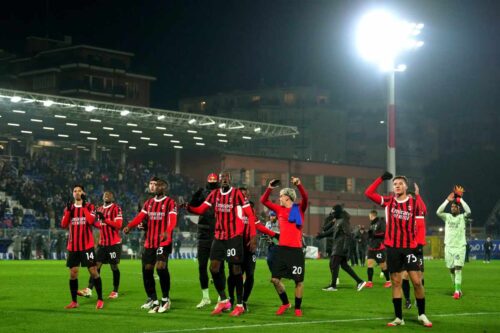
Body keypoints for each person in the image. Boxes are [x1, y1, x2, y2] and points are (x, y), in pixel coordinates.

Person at [365, 172, 432, 327]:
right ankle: (398, 318)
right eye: (395, 184)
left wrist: (417, 243)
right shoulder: (388, 202)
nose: (397, 186)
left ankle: (422, 314)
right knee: (396, 282)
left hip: (409, 248)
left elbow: (423, 216)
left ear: (405, 186)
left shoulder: (414, 203)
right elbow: (368, 193)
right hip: (393, 248)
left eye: (400, 183)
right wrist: (381, 178)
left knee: (416, 282)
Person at [188, 170, 257, 317]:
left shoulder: (238, 194)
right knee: (213, 268)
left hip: (233, 237)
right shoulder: (214, 194)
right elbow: (201, 209)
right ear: (219, 180)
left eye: (227, 177)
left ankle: (239, 305)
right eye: (222, 178)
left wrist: (252, 236)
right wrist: (188, 207)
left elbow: (250, 215)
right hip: (219, 237)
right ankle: (224, 300)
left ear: (230, 180)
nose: (224, 180)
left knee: (236, 270)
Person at [123, 178, 177, 314]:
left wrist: (167, 231)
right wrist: (129, 226)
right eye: (155, 185)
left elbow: (173, 220)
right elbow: (140, 217)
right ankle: (154, 300)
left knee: (160, 267)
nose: (156, 187)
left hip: (163, 241)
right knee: (147, 269)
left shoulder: (170, 203)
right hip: (149, 242)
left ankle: (165, 299)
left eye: (159, 185)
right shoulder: (149, 203)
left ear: (164, 187)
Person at [259, 177, 308, 317]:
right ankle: (285, 303)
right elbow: (263, 200)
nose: (279, 198)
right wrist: (269, 187)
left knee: (298, 281)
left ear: (287, 197)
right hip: (282, 250)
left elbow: (305, 197)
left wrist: (299, 185)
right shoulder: (279, 209)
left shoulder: (299, 208)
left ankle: (298, 308)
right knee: (275, 279)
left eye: (280, 196)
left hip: (296, 251)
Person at [61, 184, 103, 309]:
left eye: (79, 191)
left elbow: (90, 221)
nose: (77, 192)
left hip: (86, 246)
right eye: (75, 191)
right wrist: (68, 211)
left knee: (93, 271)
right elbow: (63, 224)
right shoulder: (69, 208)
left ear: (83, 193)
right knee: (73, 273)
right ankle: (74, 301)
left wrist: (83, 206)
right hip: (73, 246)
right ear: (73, 193)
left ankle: (100, 299)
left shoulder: (90, 207)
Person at [78, 191, 123, 299]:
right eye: (105, 195)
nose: (107, 196)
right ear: (102, 197)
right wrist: (93, 222)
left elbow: (118, 225)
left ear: (113, 197)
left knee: (114, 266)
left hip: (113, 243)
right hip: (102, 244)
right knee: (95, 266)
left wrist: (105, 219)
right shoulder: (99, 209)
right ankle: (89, 289)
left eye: (109, 195)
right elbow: (99, 224)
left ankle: (115, 291)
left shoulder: (116, 209)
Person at [317, 204, 366, 292]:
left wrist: (345, 247)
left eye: (333, 211)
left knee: (334, 264)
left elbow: (348, 234)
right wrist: (321, 235)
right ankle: (360, 281)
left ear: (337, 211)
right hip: (338, 246)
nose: (332, 212)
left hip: (340, 247)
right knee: (344, 266)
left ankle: (333, 285)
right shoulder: (338, 220)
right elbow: (332, 231)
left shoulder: (344, 221)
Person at [188, 173, 219, 308]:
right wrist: (196, 195)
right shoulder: (203, 193)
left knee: (217, 267)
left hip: (217, 232)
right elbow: (192, 206)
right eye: (210, 181)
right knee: (202, 267)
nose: (212, 183)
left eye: (214, 181)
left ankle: (221, 297)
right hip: (204, 233)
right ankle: (205, 297)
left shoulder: (221, 194)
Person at [227, 187, 258, 312]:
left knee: (250, 274)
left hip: (249, 247)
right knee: (233, 274)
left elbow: (255, 225)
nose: (244, 197)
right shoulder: (231, 209)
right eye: (242, 194)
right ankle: (231, 299)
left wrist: (254, 238)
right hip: (234, 245)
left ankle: (244, 301)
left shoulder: (251, 210)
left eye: (246, 195)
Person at [436, 191, 471, 299]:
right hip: (448, 247)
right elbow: (438, 212)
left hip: (459, 247)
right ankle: (457, 288)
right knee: (451, 269)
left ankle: (456, 291)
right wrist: (447, 200)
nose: (453, 208)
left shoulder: (462, 217)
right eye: (452, 207)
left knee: (457, 268)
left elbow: (469, 211)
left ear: (458, 209)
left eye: (455, 207)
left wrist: (460, 200)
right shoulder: (447, 217)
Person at [365, 210, 391, 289]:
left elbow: (384, 233)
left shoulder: (381, 222)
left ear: (372, 215)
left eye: (369, 216)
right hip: (371, 247)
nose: (369, 217)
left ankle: (388, 281)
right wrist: (369, 235)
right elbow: (372, 234)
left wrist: (374, 234)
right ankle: (369, 282)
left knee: (383, 266)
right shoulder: (372, 224)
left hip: (379, 247)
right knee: (369, 264)